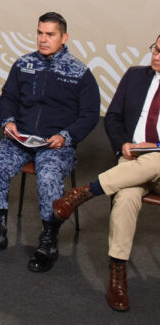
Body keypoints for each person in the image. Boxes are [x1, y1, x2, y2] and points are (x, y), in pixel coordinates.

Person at [0, 12, 99, 272]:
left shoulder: (80, 73)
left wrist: (66, 137)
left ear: (64, 37)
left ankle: (48, 243)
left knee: (48, 178)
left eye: (50, 34)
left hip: (55, 144)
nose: (43, 39)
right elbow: (7, 97)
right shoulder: (23, 64)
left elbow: (89, 115)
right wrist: (8, 122)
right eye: (40, 33)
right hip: (20, 139)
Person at [51, 33, 160, 312]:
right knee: (125, 197)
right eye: (155, 49)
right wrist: (123, 144)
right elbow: (112, 117)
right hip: (133, 161)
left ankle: (86, 192)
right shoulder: (136, 76)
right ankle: (118, 274)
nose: (156, 56)